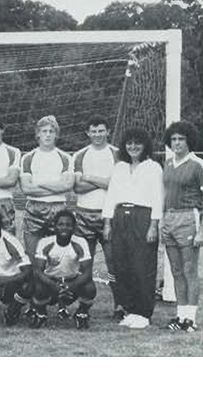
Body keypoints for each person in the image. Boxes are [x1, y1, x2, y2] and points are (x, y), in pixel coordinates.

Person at [102, 128, 163, 330]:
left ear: (145, 145)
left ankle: (143, 312)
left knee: (142, 265)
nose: (133, 147)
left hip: (143, 217)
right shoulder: (119, 167)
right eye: (129, 143)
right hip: (120, 216)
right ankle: (129, 309)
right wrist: (108, 222)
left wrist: (153, 225)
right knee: (123, 264)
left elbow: (157, 197)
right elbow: (111, 195)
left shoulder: (153, 167)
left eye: (137, 143)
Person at [71, 115, 122, 319]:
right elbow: (77, 187)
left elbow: (118, 184)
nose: (97, 135)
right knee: (85, 264)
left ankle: (120, 306)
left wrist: (90, 177)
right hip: (84, 214)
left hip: (110, 214)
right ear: (87, 133)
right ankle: (84, 306)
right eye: (93, 131)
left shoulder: (117, 153)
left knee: (114, 263)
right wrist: (105, 181)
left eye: (101, 131)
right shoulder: (80, 155)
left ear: (108, 131)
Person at [160, 121, 202, 332]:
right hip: (169, 219)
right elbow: (165, 195)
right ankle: (180, 315)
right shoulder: (167, 163)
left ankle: (191, 319)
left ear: (189, 140)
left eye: (181, 139)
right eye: (174, 139)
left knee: (189, 270)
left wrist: (201, 231)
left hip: (188, 219)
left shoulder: (197, 165)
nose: (177, 143)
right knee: (176, 271)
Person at [30, 210, 96, 329]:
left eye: (68, 225)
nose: (64, 228)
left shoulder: (80, 242)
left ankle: (81, 314)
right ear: (54, 226)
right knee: (38, 287)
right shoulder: (45, 242)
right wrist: (52, 284)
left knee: (90, 288)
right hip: (51, 281)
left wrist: (71, 286)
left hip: (72, 281)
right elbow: (38, 271)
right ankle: (41, 314)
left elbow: (87, 272)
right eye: (60, 224)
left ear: (74, 227)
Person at [19, 115, 74, 257]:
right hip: (33, 208)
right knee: (32, 254)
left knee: (56, 253)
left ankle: (56, 279)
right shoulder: (28, 158)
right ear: (38, 134)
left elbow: (66, 186)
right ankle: (33, 279)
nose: (48, 135)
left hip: (58, 208)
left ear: (56, 134)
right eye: (44, 131)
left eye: (51, 131)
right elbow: (26, 189)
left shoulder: (65, 157)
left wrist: (40, 184)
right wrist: (55, 187)